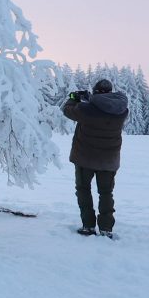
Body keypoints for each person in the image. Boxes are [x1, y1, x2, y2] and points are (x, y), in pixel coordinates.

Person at [62, 78, 129, 238]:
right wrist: (90, 99)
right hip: (109, 160)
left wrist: (74, 98)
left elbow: (67, 110)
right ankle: (106, 228)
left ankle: (88, 226)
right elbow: (104, 105)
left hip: (85, 158)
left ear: (96, 92)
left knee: (83, 190)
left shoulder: (87, 110)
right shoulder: (121, 111)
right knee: (106, 193)